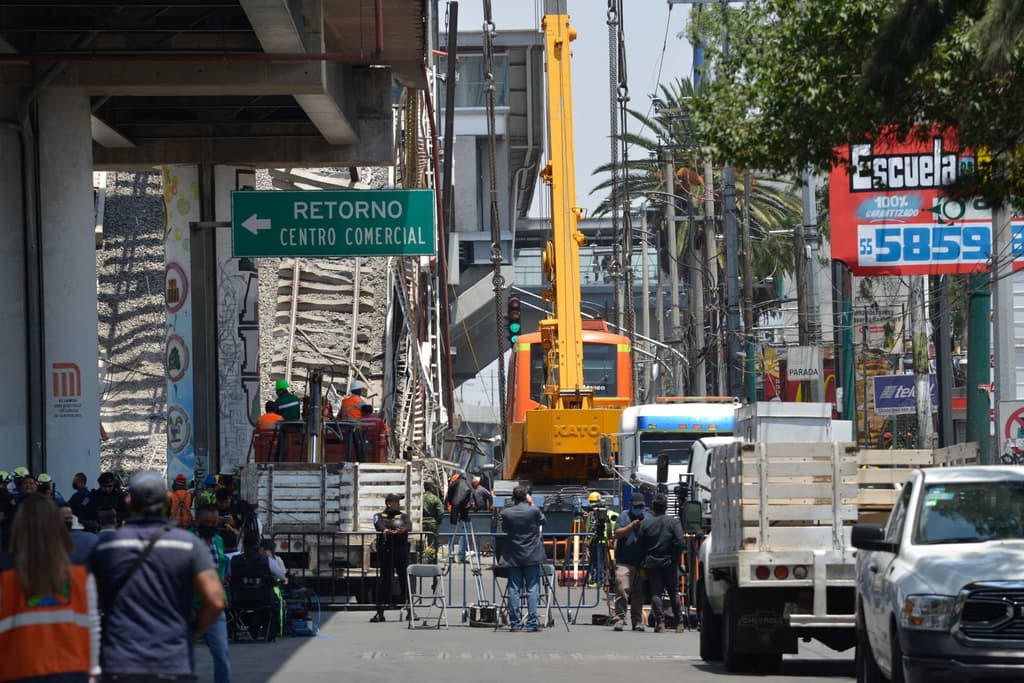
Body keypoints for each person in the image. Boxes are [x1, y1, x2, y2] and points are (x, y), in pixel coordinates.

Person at [89, 471, 225, 681]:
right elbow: (216, 601)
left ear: (129, 501)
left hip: (121, 661)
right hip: (172, 662)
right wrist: (190, 636)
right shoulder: (189, 544)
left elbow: (89, 600)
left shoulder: (108, 545)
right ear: (169, 500)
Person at [0, 494, 99, 683]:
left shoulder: (5, 573)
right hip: (73, 670)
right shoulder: (80, 573)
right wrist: (93, 671)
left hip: (17, 671)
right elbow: (92, 625)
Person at [191, 505, 230, 683]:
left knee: (221, 652)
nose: (211, 526)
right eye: (207, 522)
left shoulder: (219, 540)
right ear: (196, 521)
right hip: (190, 606)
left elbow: (220, 571)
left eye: (214, 522)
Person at [500, 486, 546, 632]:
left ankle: (515, 623)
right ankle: (532, 623)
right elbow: (543, 521)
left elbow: (505, 529)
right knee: (532, 588)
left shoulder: (506, 513)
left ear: (513, 498)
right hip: (532, 553)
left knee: (514, 588)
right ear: (526, 496)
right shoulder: (533, 510)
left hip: (514, 554)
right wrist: (532, 504)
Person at [637, 493, 685, 633]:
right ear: (666, 507)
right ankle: (679, 623)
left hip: (652, 563)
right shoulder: (673, 522)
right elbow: (679, 542)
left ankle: (660, 622)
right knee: (673, 592)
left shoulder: (645, 523)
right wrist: (675, 558)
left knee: (656, 593)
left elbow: (640, 544)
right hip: (669, 562)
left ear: (653, 507)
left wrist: (641, 563)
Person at [230, 533, 285, 639]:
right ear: (258, 545)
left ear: (243, 546)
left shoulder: (234, 560)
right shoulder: (266, 560)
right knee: (273, 602)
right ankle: (269, 630)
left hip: (240, 600)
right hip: (263, 599)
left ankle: (245, 628)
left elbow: (227, 576)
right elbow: (281, 575)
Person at [370, 493, 411, 622]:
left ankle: (410, 610)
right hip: (386, 553)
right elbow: (379, 525)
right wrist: (385, 530)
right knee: (384, 582)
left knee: (404, 581)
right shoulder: (379, 516)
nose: (399, 505)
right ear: (389, 504)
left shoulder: (402, 516)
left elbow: (408, 525)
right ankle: (380, 612)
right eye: (396, 503)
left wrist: (402, 530)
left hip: (401, 553)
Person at [611, 494, 649, 631]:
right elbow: (617, 533)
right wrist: (631, 526)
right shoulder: (624, 516)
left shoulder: (647, 517)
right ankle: (620, 618)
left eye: (641, 506)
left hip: (641, 562)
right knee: (622, 588)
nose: (639, 509)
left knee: (639, 592)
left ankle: (637, 621)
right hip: (624, 561)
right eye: (636, 506)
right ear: (631, 505)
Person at [586, 491, 611, 589]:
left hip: (595, 539)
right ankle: (601, 579)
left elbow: (592, 526)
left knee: (597, 561)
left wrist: (588, 538)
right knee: (601, 561)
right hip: (603, 539)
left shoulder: (593, 513)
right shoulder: (605, 510)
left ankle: (598, 580)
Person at [445, 472, 472, 563]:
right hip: (460, 511)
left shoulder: (453, 486)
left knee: (453, 535)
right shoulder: (463, 485)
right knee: (462, 534)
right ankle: (461, 556)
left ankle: (451, 556)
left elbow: (447, 500)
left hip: (453, 512)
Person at [421, 480, 443, 563]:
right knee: (432, 543)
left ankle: (418, 559)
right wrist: (438, 521)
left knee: (420, 541)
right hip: (432, 523)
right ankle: (431, 560)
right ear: (431, 487)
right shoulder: (435, 498)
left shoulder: (420, 497)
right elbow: (441, 512)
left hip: (421, 522)